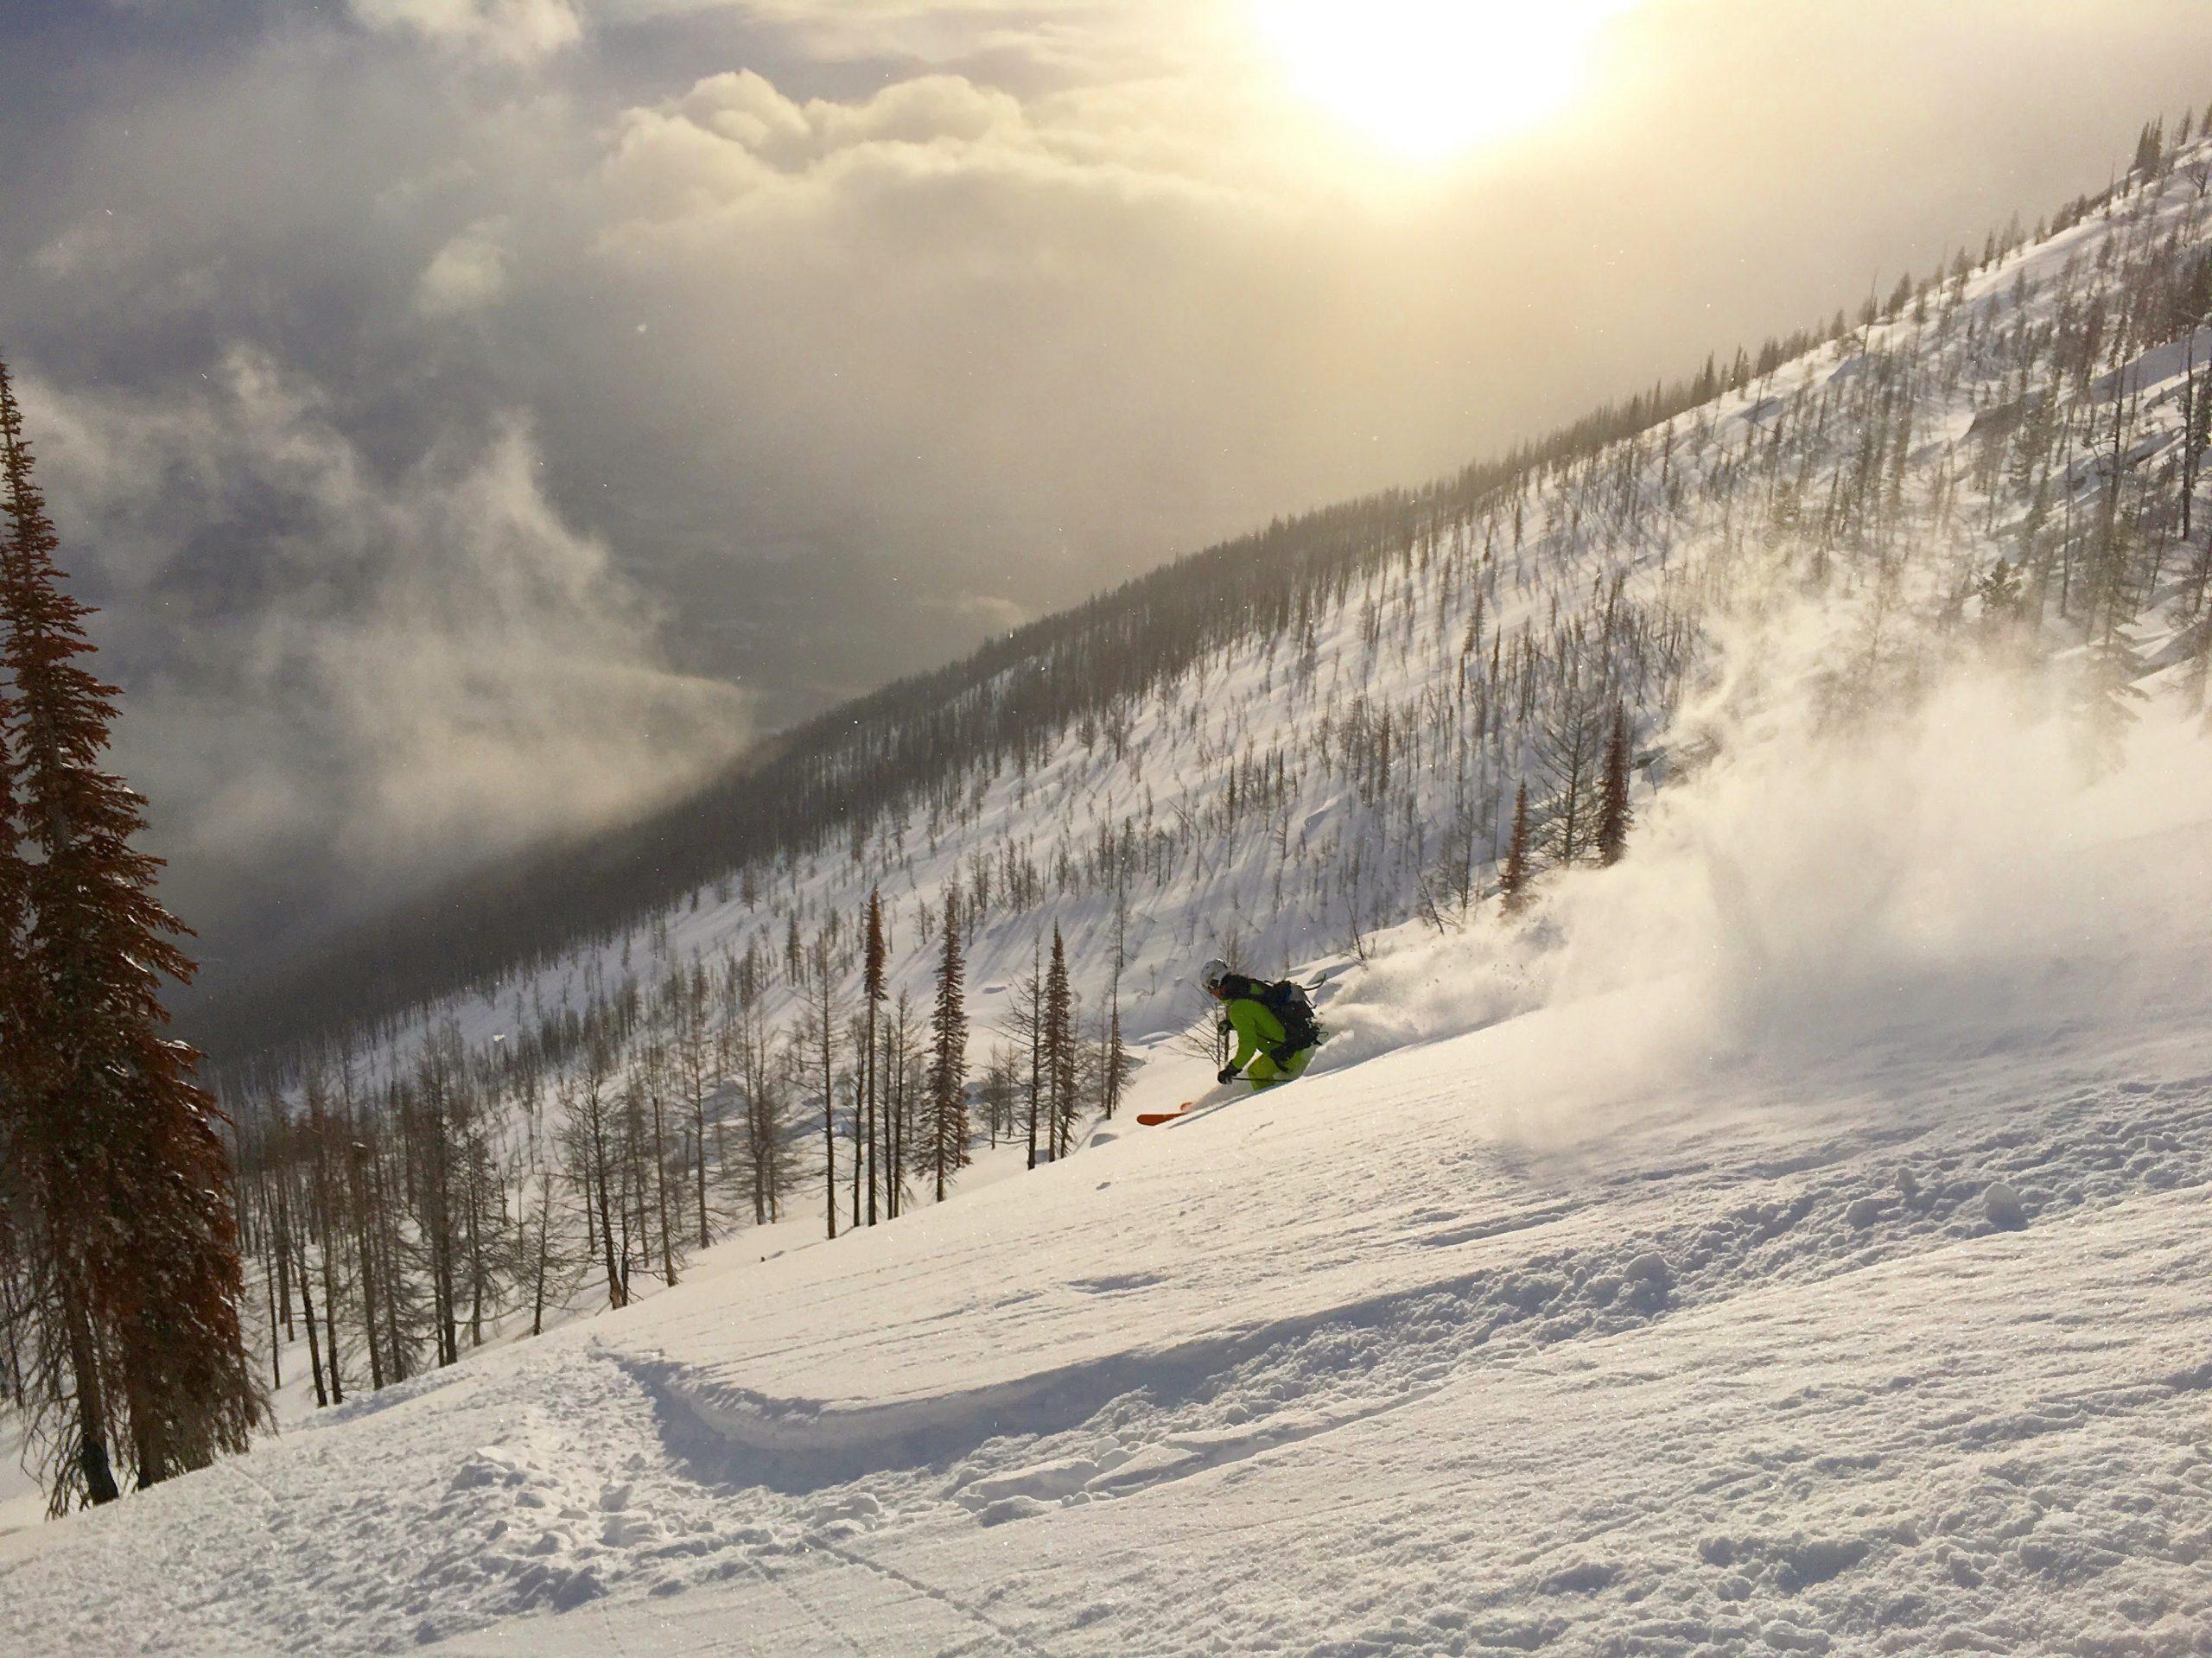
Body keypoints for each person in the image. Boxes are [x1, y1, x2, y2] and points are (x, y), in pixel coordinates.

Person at [1200, 957, 1319, 1090]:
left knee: (1254, 1072)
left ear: (1217, 985)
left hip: (1289, 1051)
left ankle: (1275, 1104)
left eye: (1211, 991)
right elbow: (1263, 1013)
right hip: (1303, 1036)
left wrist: (1231, 1069)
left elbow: (1248, 1045)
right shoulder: (1251, 986)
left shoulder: (1238, 1008)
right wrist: (1231, 1024)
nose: (1214, 995)